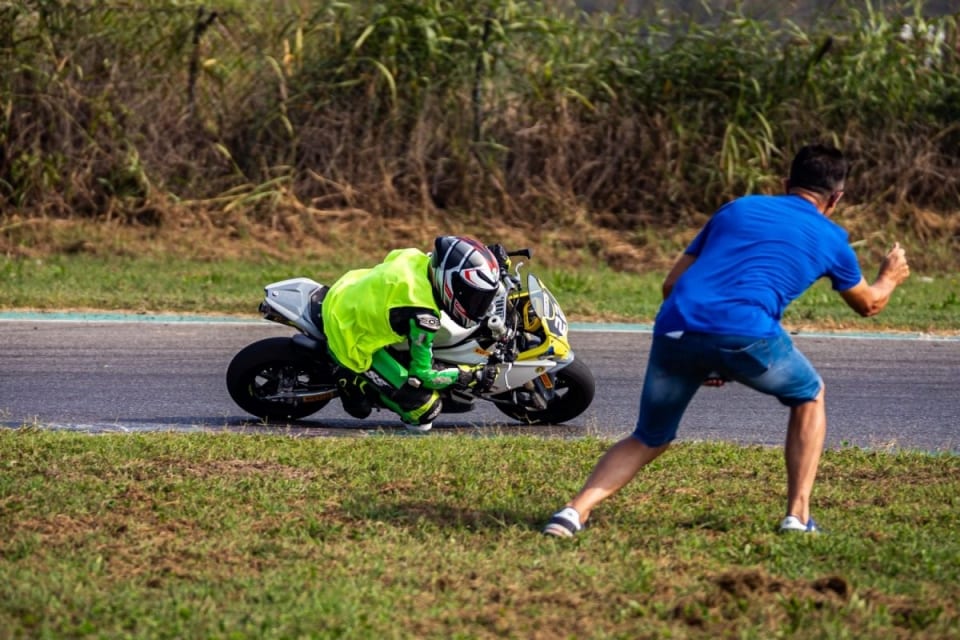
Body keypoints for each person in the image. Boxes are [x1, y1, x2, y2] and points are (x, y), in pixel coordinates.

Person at [543, 143, 911, 537]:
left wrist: (705, 357)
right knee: (810, 395)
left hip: (676, 327)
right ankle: (798, 517)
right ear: (836, 197)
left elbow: (671, 284)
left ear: (785, 184)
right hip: (747, 331)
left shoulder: (737, 209)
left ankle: (572, 513)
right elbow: (869, 306)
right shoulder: (833, 238)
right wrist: (889, 276)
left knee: (649, 436)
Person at [321, 235, 502, 432]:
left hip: (347, 288)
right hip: (347, 333)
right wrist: (467, 375)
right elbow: (424, 375)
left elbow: (459, 258)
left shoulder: (418, 259)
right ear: (451, 287)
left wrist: (495, 261)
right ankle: (350, 376)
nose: (479, 306)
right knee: (424, 412)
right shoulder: (422, 316)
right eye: (474, 298)